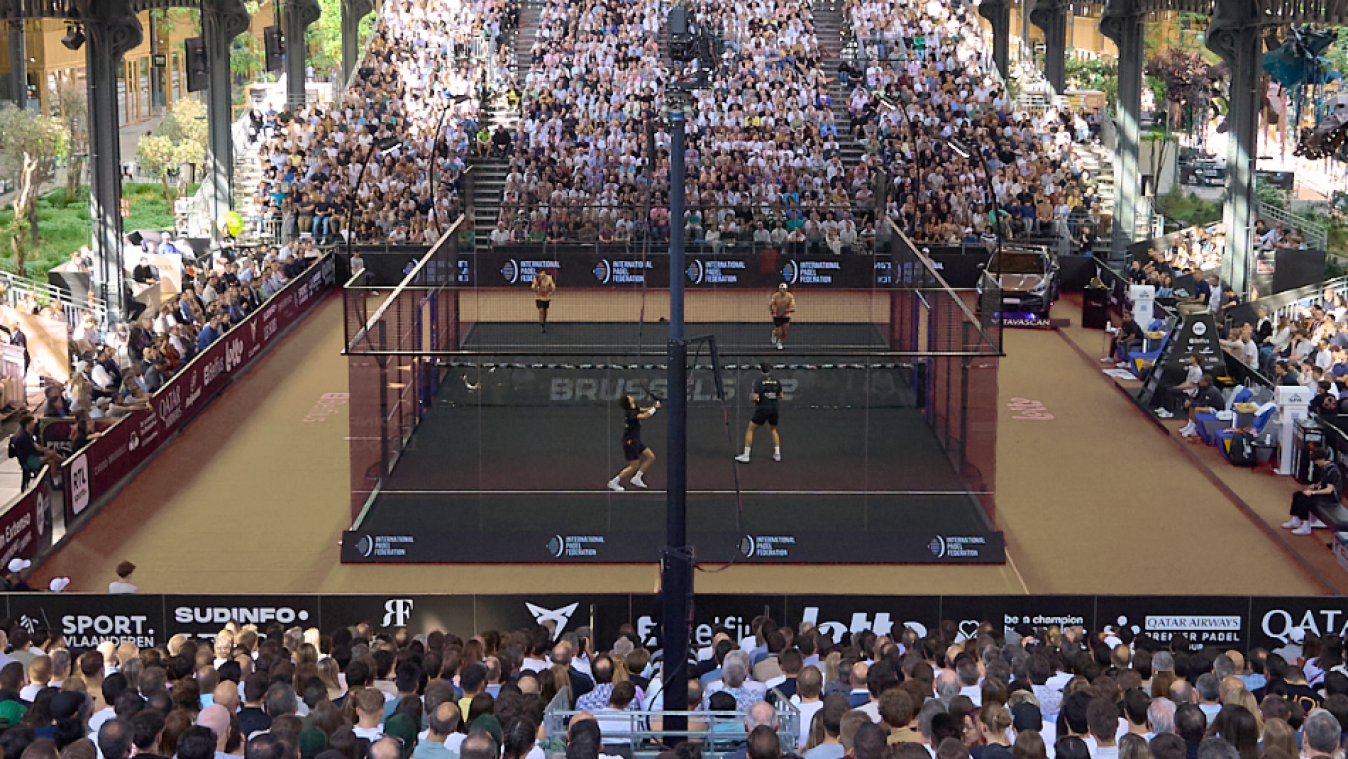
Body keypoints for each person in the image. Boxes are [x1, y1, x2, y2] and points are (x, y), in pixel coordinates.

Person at [608, 395, 659, 492]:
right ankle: (614, 482)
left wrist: (654, 406)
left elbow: (645, 410)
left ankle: (637, 478)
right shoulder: (630, 413)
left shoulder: (634, 409)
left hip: (636, 440)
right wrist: (655, 408)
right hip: (630, 441)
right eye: (629, 397)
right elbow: (645, 415)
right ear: (628, 401)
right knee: (634, 466)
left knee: (650, 457)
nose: (631, 396)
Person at [1283, 449, 1340, 536]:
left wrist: (1312, 493)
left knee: (1305, 499)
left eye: (1316, 461)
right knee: (1297, 495)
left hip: (1331, 497)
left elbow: (1329, 490)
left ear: (1322, 459)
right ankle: (1295, 520)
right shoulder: (1325, 468)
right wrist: (1315, 486)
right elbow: (1324, 481)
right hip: (1323, 493)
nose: (1316, 463)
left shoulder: (1333, 471)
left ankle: (1306, 527)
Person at [736, 363, 783, 463]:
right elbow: (781, 395)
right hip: (774, 407)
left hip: (763, 407)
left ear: (761, 370)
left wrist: (755, 401)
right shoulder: (776, 380)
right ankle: (777, 454)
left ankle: (746, 455)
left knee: (751, 428)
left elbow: (756, 397)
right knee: (773, 429)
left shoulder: (759, 381)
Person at [770, 284, 795, 350]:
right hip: (777, 315)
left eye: (783, 289)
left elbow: (793, 307)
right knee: (778, 331)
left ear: (786, 289)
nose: (782, 290)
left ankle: (779, 341)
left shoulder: (790, 296)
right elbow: (772, 305)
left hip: (786, 315)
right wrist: (774, 312)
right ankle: (775, 335)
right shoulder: (775, 296)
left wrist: (785, 311)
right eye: (780, 289)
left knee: (784, 332)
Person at [532, 269, 555, 333]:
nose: (543, 275)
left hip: (546, 298)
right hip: (539, 298)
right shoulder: (536, 280)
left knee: (545, 311)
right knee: (541, 310)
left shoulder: (549, 279)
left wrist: (551, 292)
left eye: (544, 274)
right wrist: (537, 289)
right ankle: (542, 325)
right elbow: (533, 287)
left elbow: (553, 286)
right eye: (541, 274)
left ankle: (544, 322)